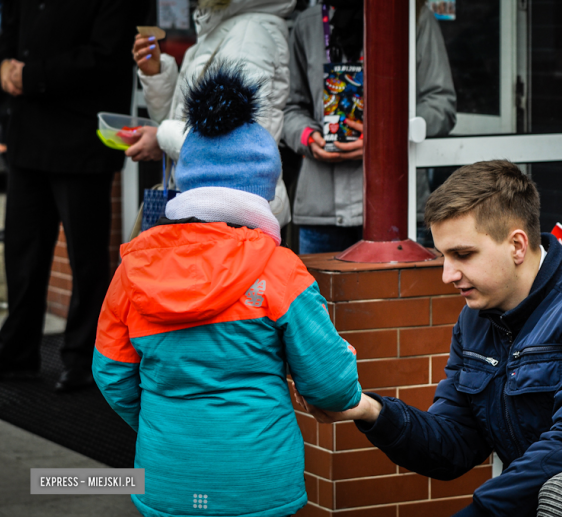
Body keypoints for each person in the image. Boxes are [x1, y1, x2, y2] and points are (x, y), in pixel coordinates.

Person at [296, 160, 562, 516]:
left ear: (516, 244)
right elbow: (452, 446)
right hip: (546, 500)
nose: (447, 274)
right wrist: (367, 409)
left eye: (462, 255)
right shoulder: (475, 320)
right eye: (442, 255)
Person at [93, 65, 361, 517]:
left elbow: (111, 374)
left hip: (167, 480)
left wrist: (164, 421)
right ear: (263, 190)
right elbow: (333, 387)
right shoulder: (280, 270)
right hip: (259, 482)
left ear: (188, 182)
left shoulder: (132, 269)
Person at [0, 0, 143, 391]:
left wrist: (33, 77)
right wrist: (5, 66)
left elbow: (108, 56)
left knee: (87, 260)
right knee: (22, 252)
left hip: (81, 139)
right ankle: (16, 353)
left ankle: (83, 358)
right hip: (27, 134)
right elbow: (10, 25)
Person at [282, 0, 456, 254]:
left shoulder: (414, 18)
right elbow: (289, 108)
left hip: (399, 208)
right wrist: (308, 138)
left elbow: (441, 105)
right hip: (321, 209)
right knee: (321, 294)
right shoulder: (307, 24)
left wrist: (384, 136)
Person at [128, 0, 294, 226]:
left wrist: (160, 137)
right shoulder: (221, 29)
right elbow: (188, 121)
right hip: (217, 211)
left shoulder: (249, 36)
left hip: (230, 219)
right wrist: (156, 75)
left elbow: (236, 147)